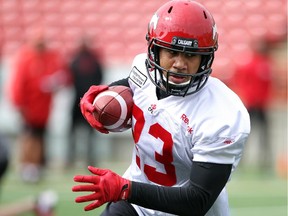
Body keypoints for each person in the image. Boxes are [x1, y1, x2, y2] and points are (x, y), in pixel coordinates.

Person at [72, 1, 251, 215]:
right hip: (135, 205)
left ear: (205, 57)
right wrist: (100, 99)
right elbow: (133, 84)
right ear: (154, 50)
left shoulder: (221, 114)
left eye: (190, 55)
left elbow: (197, 200)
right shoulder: (142, 69)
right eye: (172, 52)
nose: (179, 63)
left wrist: (126, 189)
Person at [8, 28, 70, 183]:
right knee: (30, 137)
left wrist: (55, 82)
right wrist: (19, 104)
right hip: (29, 107)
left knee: (40, 137)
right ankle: (27, 167)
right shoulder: (25, 58)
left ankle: (36, 166)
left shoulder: (51, 57)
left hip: (44, 107)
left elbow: (64, 75)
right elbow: (18, 85)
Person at [231, 37, 273, 171]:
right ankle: (240, 161)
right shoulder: (250, 64)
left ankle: (264, 162)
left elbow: (268, 85)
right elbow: (240, 82)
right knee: (245, 134)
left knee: (264, 135)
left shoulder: (266, 63)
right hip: (250, 104)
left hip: (262, 105)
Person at [66, 38, 104, 168]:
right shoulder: (92, 60)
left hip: (81, 100)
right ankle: (83, 160)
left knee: (80, 133)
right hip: (88, 101)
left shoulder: (78, 59)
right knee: (83, 133)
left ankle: (75, 159)